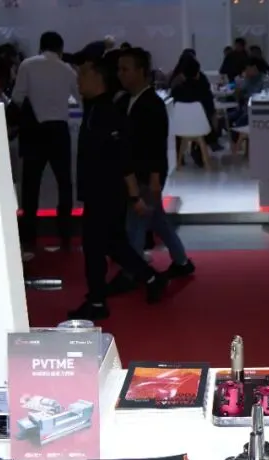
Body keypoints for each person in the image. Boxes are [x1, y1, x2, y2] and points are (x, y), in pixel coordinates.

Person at [68, 55, 169, 320]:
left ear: (98, 77)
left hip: (106, 192)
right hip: (100, 191)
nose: (78, 79)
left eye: (83, 74)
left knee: (94, 246)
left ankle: (98, 302)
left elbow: (122, 159)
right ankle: (151, 278)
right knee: (114, 243)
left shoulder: (107, 113)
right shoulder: (96, 109)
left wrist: (135, 195)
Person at [112, 47, 194, 292]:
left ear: (141, 71)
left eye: (125, 69)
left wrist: (155, 179)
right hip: (134, 172)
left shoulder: (152, 104)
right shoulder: (125, 101)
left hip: (146, 174)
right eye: (119, 69)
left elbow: (157, 145)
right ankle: (182, 261)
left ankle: (132, 273)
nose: (120, 74)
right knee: (157, 220)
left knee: (136, 225)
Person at [12, 31, 80, 254]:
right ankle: (65, 235)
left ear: (40, 46)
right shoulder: (67, 69)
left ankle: (28, 239)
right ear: (60, 48)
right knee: (64, 184)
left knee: (30, 186)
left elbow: (17, 98)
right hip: (59, 130)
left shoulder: (27, 65)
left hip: (34, 130)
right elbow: (81, 98)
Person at [228, 58, 268, 128]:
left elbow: (264, 98)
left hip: (254, 111)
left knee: (239, 123)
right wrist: (238, 90)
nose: (245, 71)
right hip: (243, 109)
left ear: (254, 68)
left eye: (247, 68)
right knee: (227, 119)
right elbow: (238, 96)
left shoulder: (264, 80)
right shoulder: (247, 79)